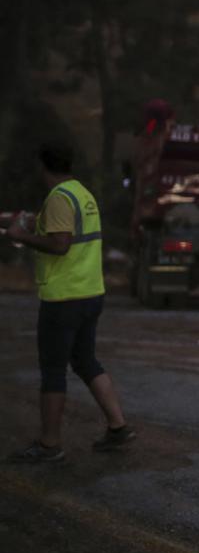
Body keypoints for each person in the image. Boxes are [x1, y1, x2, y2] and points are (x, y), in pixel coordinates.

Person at [6, 143, 135, 463]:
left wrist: (19, 237)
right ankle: (118, 427)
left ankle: (50, 445)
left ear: (42, 166)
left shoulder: (60, 198)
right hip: (90, 292)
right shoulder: (82, 194)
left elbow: (60, 243)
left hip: (64, 298)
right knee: (85, 361)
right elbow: (57, 227)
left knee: (53, 370)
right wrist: (20, 221)